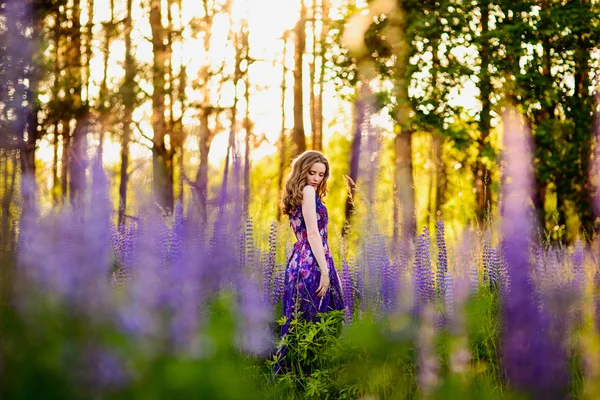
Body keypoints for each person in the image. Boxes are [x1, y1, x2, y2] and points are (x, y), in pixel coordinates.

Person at [274, 150, 345, 371]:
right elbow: (313, 234)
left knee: (302, 316)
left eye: (321, 174)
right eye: (312, 172)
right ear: (302, 171)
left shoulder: (301, 194)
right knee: (317, 315)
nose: (316, 178)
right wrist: (325, 270)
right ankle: (312, 373)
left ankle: (298, 374)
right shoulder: (307, 192)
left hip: (301, 258)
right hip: (312, 260)